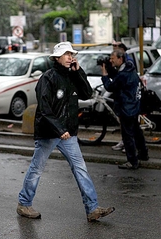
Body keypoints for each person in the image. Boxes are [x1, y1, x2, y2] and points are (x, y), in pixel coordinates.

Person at [17, 42, 115, 222]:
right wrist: (59, 129)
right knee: (37, 168)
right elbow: (45, 109)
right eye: (66, 54)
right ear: (57, 58)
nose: (71, 57)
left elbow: (86, 93)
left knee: (80, 168)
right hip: (49, 132)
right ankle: (24, 203)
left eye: (72, 54)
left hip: (67, 133)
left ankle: (92, 208)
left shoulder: (71, 76)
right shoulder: (48, 78)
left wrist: (79, 72)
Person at [101, 50, 149, 170]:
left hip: (126, 108)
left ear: (120, 59)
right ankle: (143, 154)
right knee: (137, 132)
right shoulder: (129, 69)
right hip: (134, 106)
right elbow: (118, 79)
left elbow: (110, 86)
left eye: (113, 58)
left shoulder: (124, 74)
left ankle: (132, 161)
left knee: (128, 136)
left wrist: (104, 75)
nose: (111, 60)